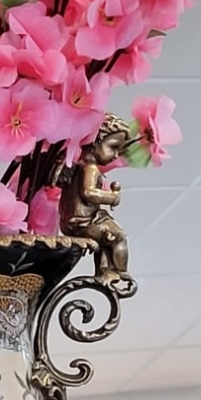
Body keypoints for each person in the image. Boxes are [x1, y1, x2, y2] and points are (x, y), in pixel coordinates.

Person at [61, 116, 136, 294]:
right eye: (113, 147)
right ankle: (120, 272)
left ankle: (104, 271)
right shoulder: (90, 168)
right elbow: (88, 193)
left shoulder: (80, 166)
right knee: (118, 235)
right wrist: (112, 198)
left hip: (77, 219)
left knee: (106, 238)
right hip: (82, 221)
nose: (116, 156)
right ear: (95, 142)